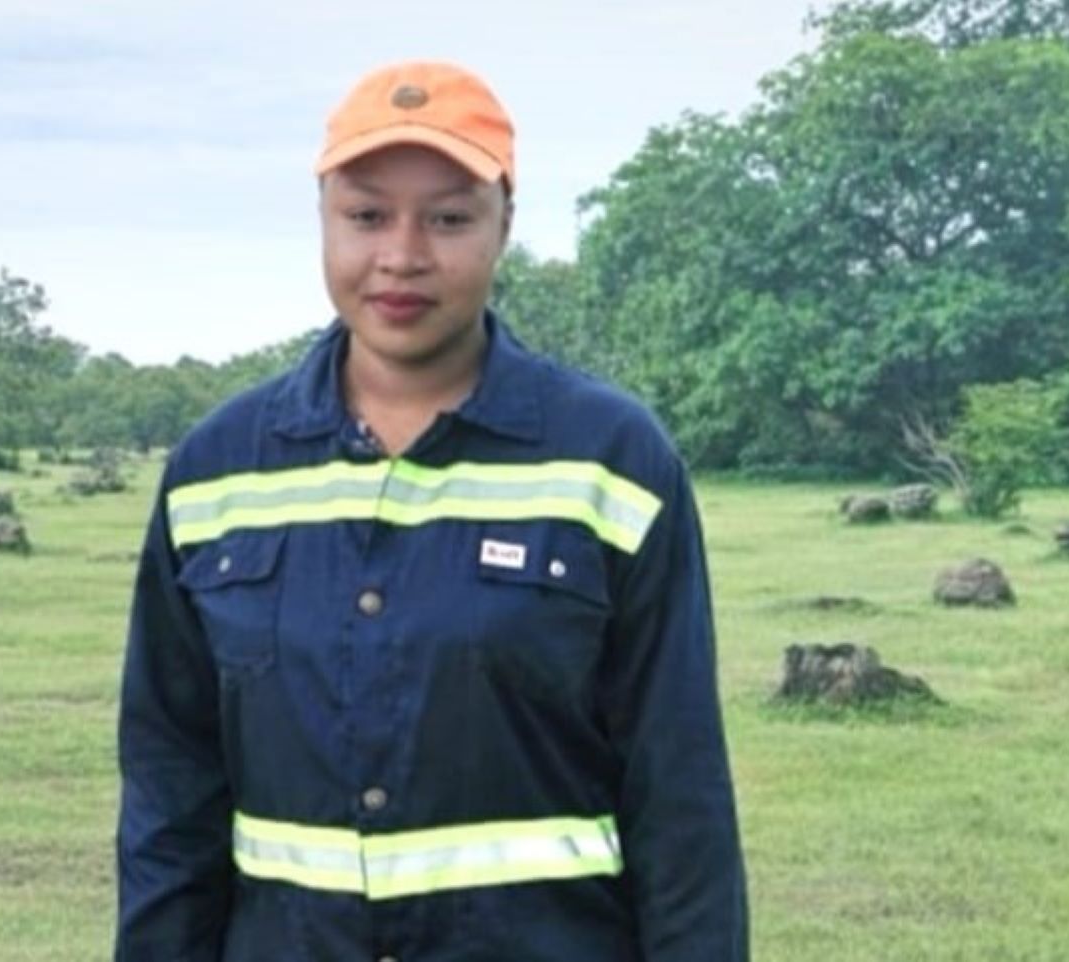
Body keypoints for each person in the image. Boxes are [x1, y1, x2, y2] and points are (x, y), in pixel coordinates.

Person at [116, 60, 747, 962]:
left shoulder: (611, 460)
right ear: (324, 220)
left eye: (449, 217)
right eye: (367, 215)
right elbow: (168, 798)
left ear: (504, 226)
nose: (403, 255)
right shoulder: (215, 473)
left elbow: (679, 796)